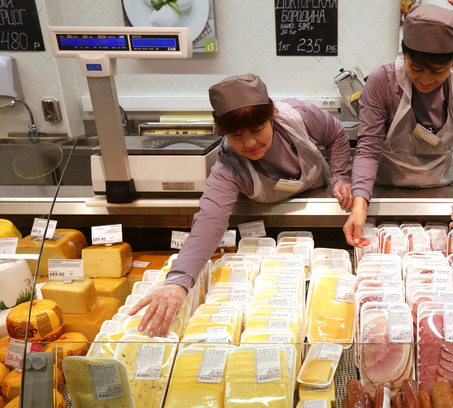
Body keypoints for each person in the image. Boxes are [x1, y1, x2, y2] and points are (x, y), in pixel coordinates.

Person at [131, 74, 353, 337]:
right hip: (269, 229)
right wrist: (177, 282)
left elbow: (337, 134)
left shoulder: (300, 116)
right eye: (236, 136)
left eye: (257, 131)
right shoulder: (228, 164)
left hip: (318, 205)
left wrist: (341, 175)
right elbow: (210, 221)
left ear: (271, 117)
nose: (249, 144)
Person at [343, 4, 453, 247]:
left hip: (441, 192)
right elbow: (368, 148)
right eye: (416, 68)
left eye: (438, 71)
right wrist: (360, 203)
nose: (425, 79)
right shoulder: (382, 81)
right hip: (383, 191)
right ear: (404, 55)